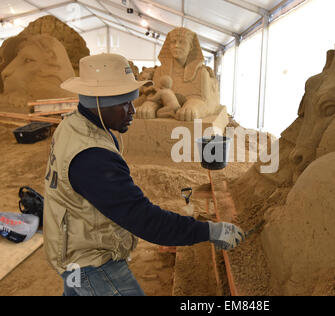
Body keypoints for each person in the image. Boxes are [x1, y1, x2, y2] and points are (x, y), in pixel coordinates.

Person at [43, 53, 245, 296]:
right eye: (123, 104)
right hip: (91, 263)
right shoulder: (92, 156)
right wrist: (210, 231)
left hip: (73, 247)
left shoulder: (74, 124)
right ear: (99, 102)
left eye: (132, 102)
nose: (132, 111)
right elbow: (145, 220)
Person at [136, 27, 220, 121]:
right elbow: (157, 97)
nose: (176, 45)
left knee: (188, 111)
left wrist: (193, 107)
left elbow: (203, 102)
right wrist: (149, 105)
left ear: (191, 47)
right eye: (173, 42)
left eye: (182, 42)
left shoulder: (201, 73)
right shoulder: (160, 71)